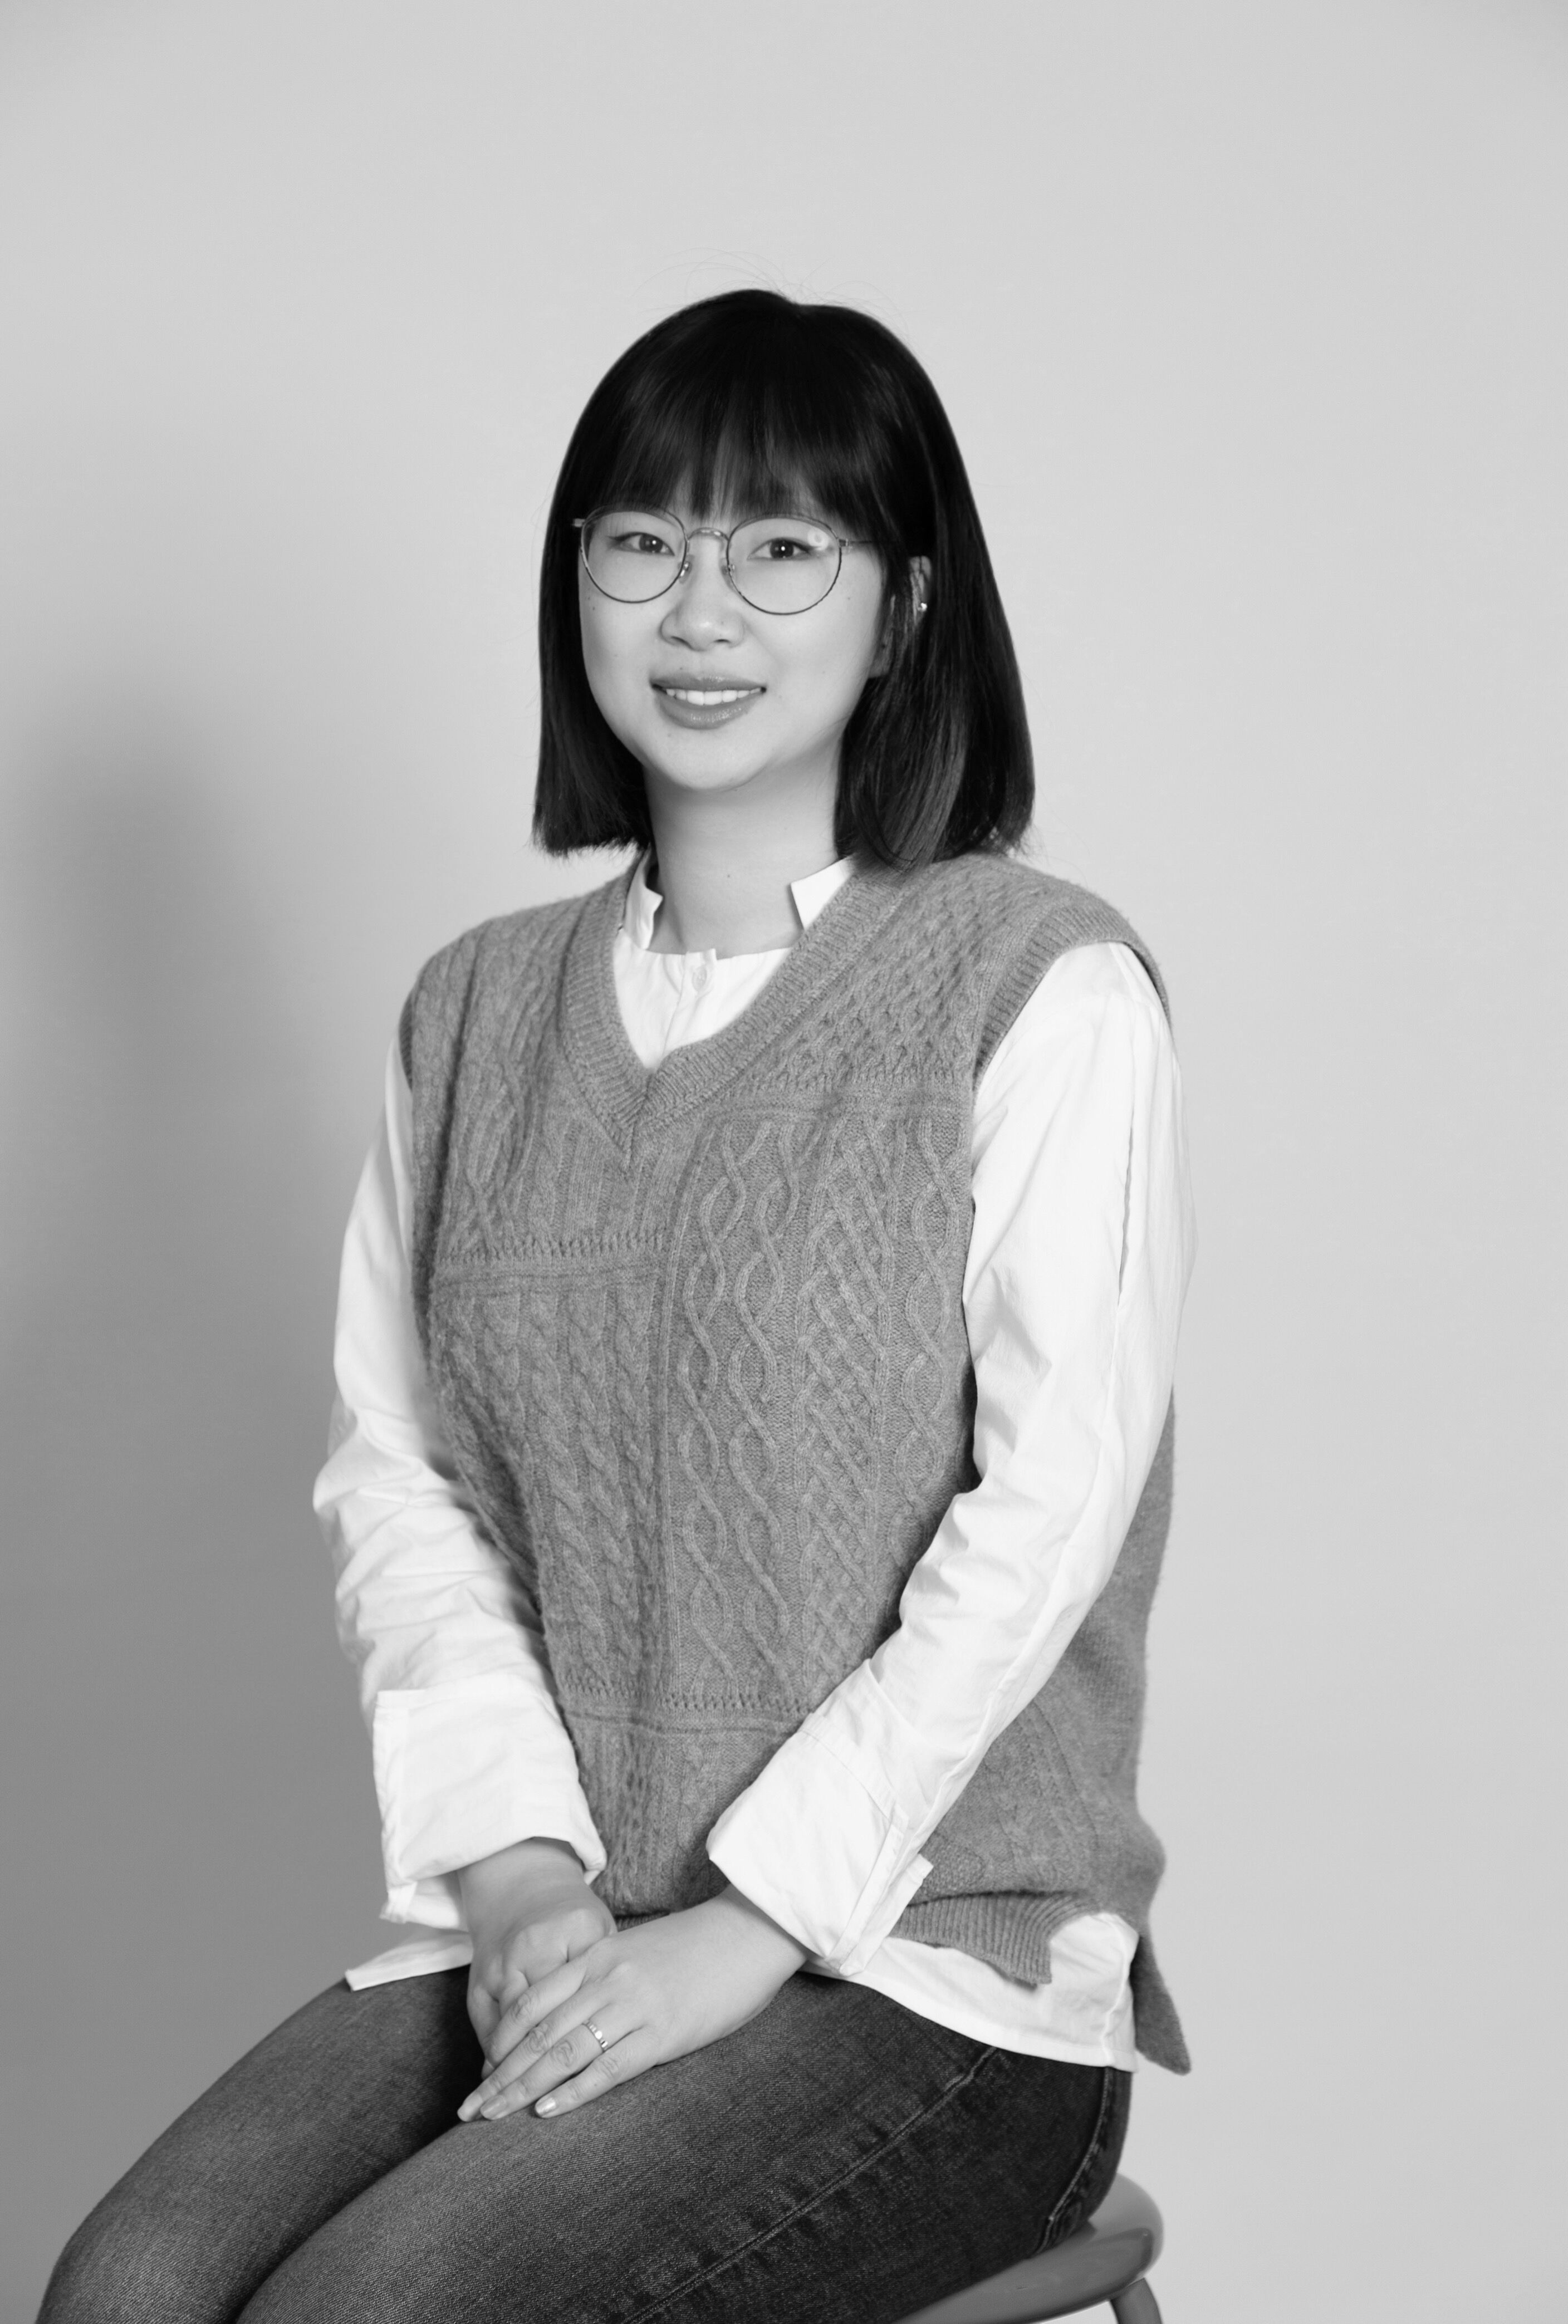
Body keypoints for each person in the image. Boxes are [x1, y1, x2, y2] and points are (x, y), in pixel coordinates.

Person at [39, 288, 1195, 2324]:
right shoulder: (472, 1016)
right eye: (643, 541)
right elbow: (405, 1487)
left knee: (372, 2317)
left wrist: (743, 1931)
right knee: (126, 2288)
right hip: (562, 1909)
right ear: (576, 578)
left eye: (784, 547)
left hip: (933, 1975)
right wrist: (516, 1882)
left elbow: (1045, 1524)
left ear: (906, 605)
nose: (701, 610)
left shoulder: (1041, 988)